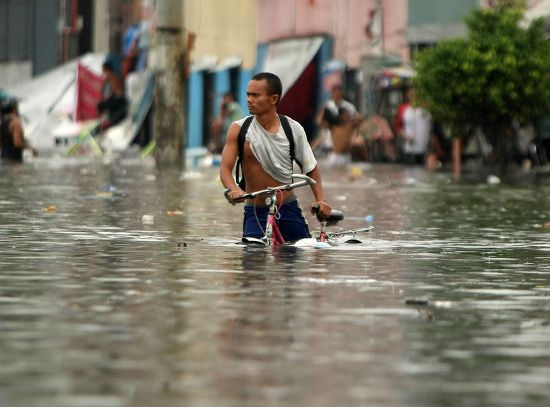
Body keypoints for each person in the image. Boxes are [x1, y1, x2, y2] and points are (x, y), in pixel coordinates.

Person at [220, 72, 332, 242]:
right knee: (253, 258)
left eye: (256, 95)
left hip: (288, 208)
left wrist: (320, 200)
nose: (249, 99)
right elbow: (225, 169)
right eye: (248, 95)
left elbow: (311, 169)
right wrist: (233, 188)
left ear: (273, 99)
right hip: (255, 211)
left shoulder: (293, 129)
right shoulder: (238, 130)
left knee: (298, 255)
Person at [317, 84, 362, 167]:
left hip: (346, 151)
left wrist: (355, 135)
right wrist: (323, 110)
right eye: (335, 94)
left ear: (342, 94)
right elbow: (319, 122)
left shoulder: (349, 107)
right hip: (332, 149)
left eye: (339, 94)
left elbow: (358, 120)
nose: (337, 96)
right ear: (332, 94)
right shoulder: (328, 107)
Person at [398, 88, 432, 165]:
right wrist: (406, 136)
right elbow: (398, 127)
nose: (413, 96)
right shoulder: (403, 108)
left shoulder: (427, 107)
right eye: (411, 94)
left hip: (426, 148)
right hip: (410, 148)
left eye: (416, 94)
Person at [0, 98, 37, 163]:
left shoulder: (2, 122)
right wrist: (31, 148)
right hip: (14, 159)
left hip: (4, 157)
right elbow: (17, 143)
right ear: (14, 109)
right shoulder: (16, 123)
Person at [96, 61, 128, 131]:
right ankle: (102, 123)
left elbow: (116, 93)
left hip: (118, 100)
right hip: (114, 100)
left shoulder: (113, 77)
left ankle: (103, 124)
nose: (103, 74)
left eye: (104, 71)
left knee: (101, 106)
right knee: (101, 105)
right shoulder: (108, 81)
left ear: (107, 70)